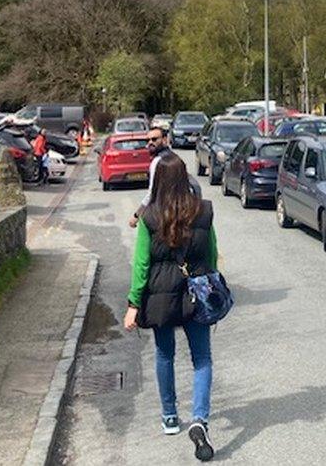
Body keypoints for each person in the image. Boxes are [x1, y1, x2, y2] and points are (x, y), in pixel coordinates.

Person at [124, 154, 217, 462]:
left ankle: (169, 417)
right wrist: (210, 287)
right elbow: (212, 254)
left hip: (160, 293)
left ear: (157, 181)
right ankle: (199, 419)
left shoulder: (149, 217)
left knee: (165, 354)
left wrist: (133, 303)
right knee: (202, 358)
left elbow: (141, 264)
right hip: (197, 290)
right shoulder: (203, 210)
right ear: (185, 177)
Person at [129, 127, 201, 227]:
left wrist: (137, 215)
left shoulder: (158, 162)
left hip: (165, 213)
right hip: (184, 211)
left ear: (165, 139)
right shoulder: (175, 158)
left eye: (154, 139)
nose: (150, 143)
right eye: (148, 140)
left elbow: (152, 193)